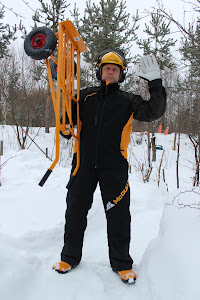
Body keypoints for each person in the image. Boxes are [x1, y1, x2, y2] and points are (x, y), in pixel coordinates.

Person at [53, 49, 166, 283]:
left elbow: (154, 111)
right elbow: (67, 120)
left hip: (114, 167)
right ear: (100, 71)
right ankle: (69, 257)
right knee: (75, 212)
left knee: (119, 216)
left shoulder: (128, 101)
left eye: (115, 69)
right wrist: (61, 87)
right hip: (83, 166)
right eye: (107, 68)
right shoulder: (84, 97)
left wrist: (155, 84)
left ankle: (122, 263)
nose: (111, 71)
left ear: (120, 75)